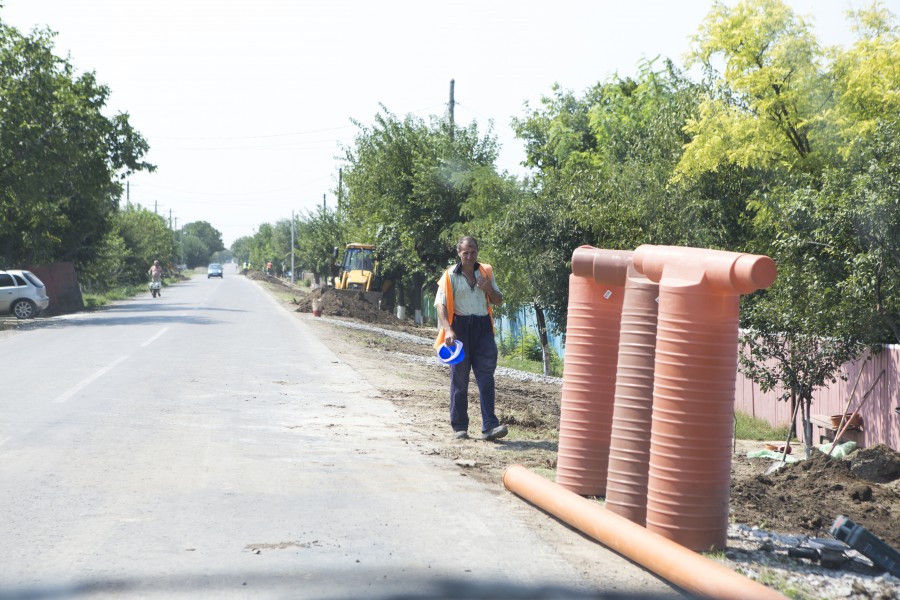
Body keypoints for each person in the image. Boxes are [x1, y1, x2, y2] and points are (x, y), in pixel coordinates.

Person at [434, 236, 507, 441]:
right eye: (465, 252)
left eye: (473, 251)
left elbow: (499, 300)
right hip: (459, 330)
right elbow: (440, 305)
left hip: (483, 329)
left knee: (486, 378)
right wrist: (448, 330)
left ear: (477, 252)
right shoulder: (449, 275)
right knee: (459, 379)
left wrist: (488, 288)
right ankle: (459, 427)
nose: (469, 255)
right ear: (459, 253)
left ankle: (490, 427)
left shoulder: (486, 272)